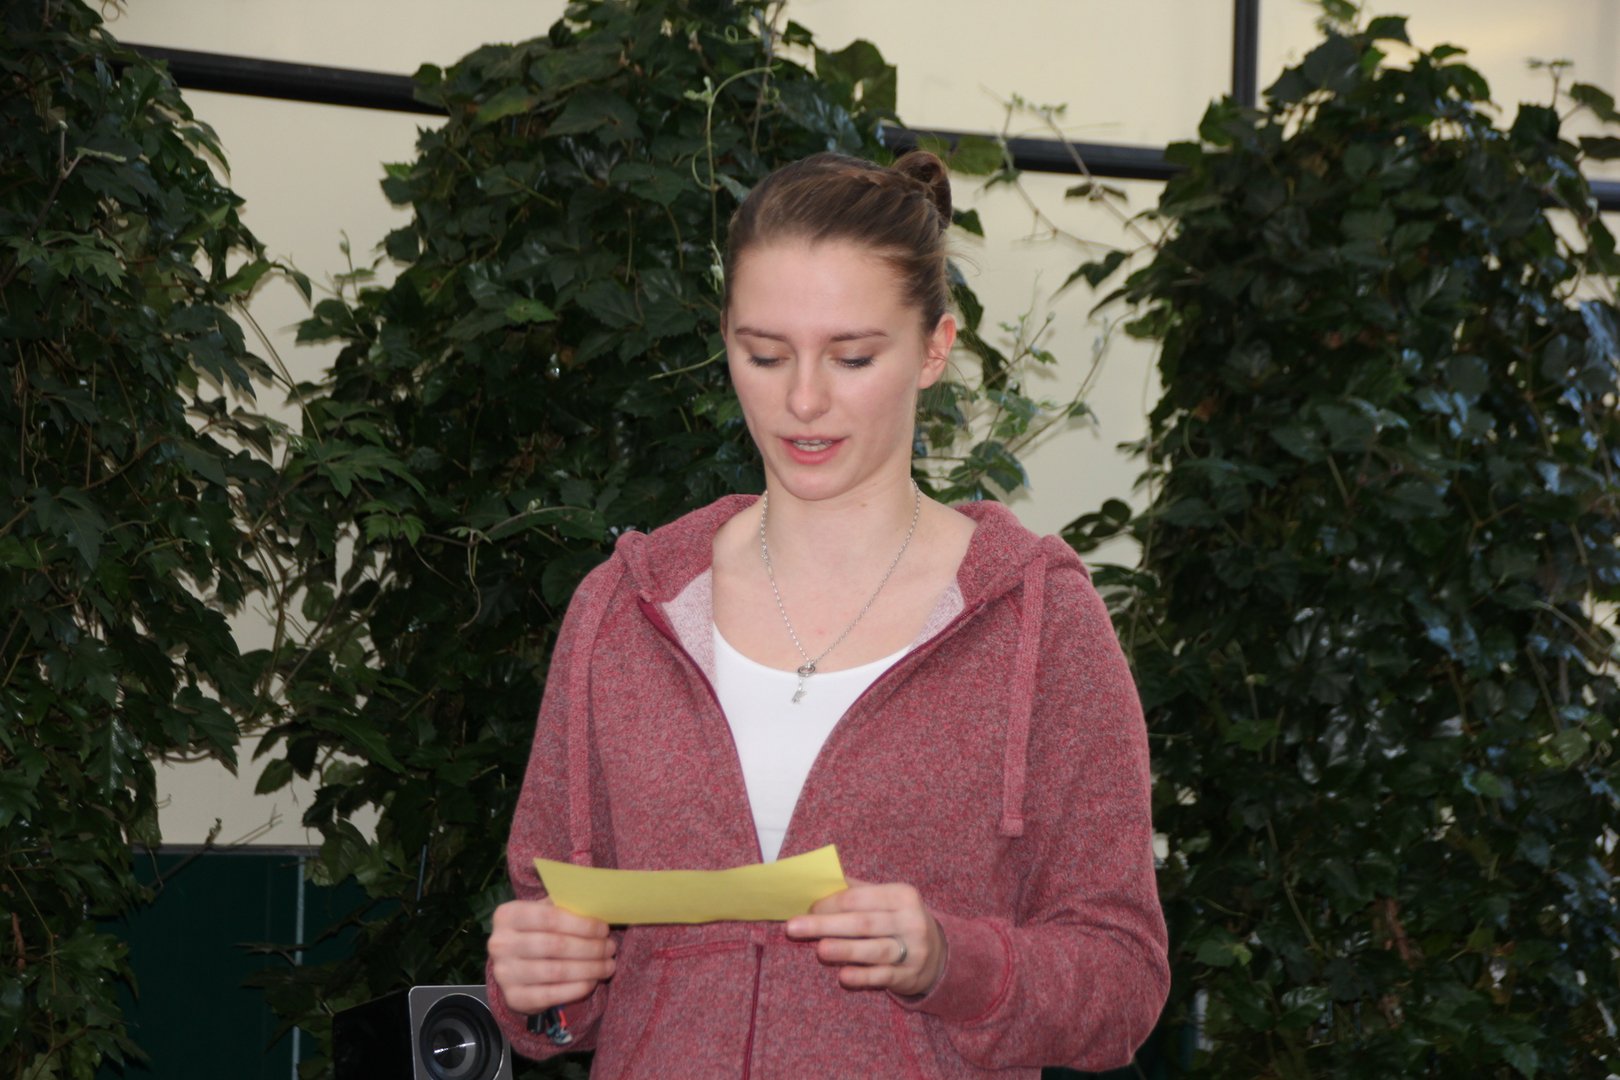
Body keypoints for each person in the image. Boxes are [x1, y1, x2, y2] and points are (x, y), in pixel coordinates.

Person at [486, 150, 1168, 1077]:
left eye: (852, 357)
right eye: (764, 355)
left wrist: (950, 962)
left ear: (935, 349)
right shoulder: (626, 609)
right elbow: (551, 961)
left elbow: (1123, 980)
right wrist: (541, 984)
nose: (802, 399)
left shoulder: (1039, 621)